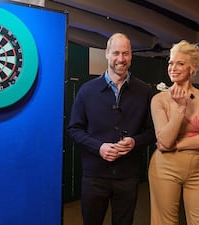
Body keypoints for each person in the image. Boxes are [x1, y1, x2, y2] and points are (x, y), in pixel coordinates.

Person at [67, 33, 155, 225]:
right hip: (94, 176)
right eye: (116, 53)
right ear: (106, 54)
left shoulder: (144, 91)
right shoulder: (87, 91)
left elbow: (152, 132)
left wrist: (135, 142)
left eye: (126, 53)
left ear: (131, 56)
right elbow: (74, 129)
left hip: (128, 176)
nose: (121, 59)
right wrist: (99, 147)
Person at [148, 40, 199, 225]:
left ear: (192, 68)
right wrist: (180, 108)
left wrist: (178, 145)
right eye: (171, 62)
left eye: (180, 63)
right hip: (165, 168)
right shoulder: (159, 100)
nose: (173, 67)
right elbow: (164, 139)